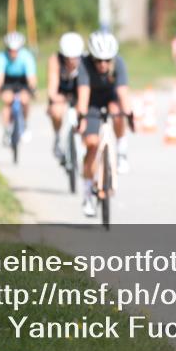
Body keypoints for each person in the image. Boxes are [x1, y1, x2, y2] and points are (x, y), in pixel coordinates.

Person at [75, 30, 133, 217]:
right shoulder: (84, 64)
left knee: (118, 112)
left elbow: (123, 93)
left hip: (111, 98)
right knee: (91, 143)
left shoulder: (119, 63)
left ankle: (121, 150)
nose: (103, 64)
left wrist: (130, 114)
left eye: (107, 60)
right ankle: (87, 194)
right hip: (91, 102)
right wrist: (81, 118)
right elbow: (83, 95)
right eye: (98, 60)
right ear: (92, 57)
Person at [0, 31, 38, 145]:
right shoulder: (1, 57)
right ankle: (7, 129)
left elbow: (31, 78)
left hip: (23, 80)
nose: (13, 53)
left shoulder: (27, 56)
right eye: (10, 50)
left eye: (15, 50)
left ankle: (25, 124)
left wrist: (32, 90)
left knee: (25, 99)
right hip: (8, 81)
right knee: (7, 100)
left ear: (20, 49)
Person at [47, 32, 84, 161]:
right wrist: (56, 98)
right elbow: (52, 87)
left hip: (78, 92)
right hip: (61, 93)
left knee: (83, 113)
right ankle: (57, 138)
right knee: (56, 112)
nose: (71, 61)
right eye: (68, 58)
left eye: (74, 58)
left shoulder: (85, 62)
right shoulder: (55, 60)